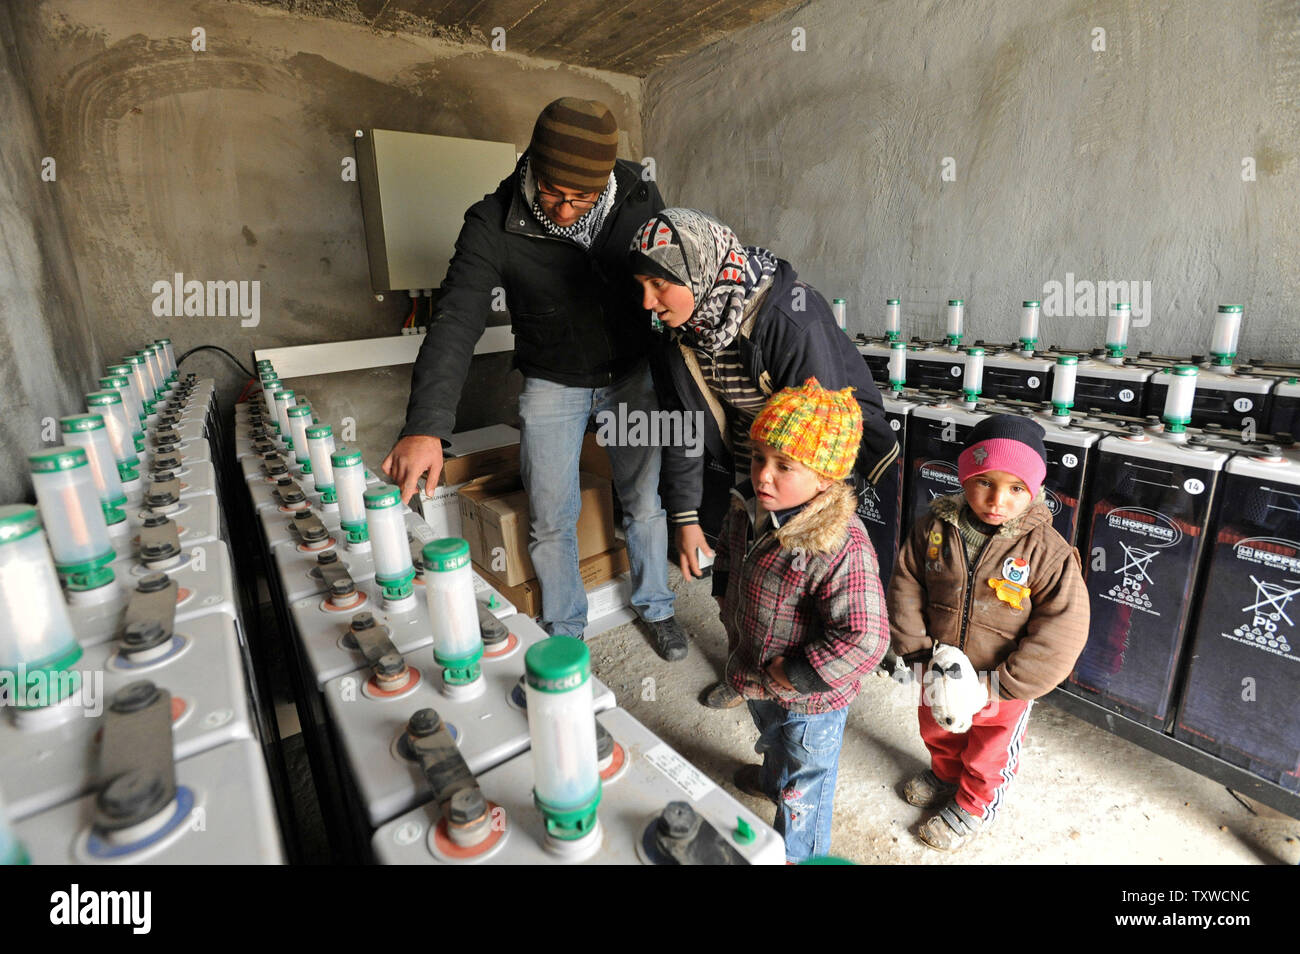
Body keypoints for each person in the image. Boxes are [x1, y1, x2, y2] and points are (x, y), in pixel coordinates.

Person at [383, 98, 689, 659]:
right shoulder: (491, 222)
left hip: (630, 375)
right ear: (531, 164)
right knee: (551, 515)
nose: (568, 211)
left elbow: (669, 272)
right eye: (553, 194)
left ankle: (656, 606)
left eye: (584, 198)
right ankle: (565, 630)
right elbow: (456, 321)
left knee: (644, 500)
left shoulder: (638, 194)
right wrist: (425, 425)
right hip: (553, 381)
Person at [629, 207, 898, 706]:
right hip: (759, 459)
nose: (648, 301)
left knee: (817, 582)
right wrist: (686, 517)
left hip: (826, 463)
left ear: (699, 269)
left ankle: (802, 685)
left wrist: (803, 505)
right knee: (748, 579)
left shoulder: (789, 318)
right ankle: (750, 674)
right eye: (641, 284)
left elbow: (822, 427)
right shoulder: (679, 334)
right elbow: (684, 424)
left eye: (660, 284)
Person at [887, 414, 1090, 851]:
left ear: (1033, 490)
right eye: (984, 482)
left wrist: (1009, 685)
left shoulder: (1047, 552)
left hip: (1000, 681)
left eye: (1016, 488)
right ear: (965, 477)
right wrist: (918, 651)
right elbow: (906, 582)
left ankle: (976, 802)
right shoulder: (934, 529)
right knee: (938, 727)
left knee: (989, 747)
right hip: (937, 663)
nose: (997, 499)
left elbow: (1063, 627)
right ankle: (944, 772)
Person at [713, 377, 890, 863]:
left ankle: (796, 852)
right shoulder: (748, 507)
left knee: (805, 780)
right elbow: (731, 556)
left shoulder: (838, 544)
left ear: (826, 479)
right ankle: (772, 779)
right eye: (758, 458)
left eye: (784, 466)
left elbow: (866, 639)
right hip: (756, 667)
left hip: (812, 697)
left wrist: (792, 673)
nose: (763, 475)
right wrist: (724, 597)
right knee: (772, 736)